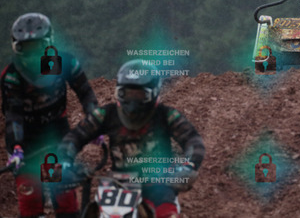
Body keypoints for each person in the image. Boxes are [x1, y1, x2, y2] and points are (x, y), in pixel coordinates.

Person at [58, 60, 205, 218]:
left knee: (166, 213)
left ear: (153, 93)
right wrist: (64, 161)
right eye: (127, 93)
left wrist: (188, 166)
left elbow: (193, 141)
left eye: (139, 94)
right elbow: (76, 136)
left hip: (159, 184)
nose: (133, 101)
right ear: (119, 92)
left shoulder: (165, 115)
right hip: (120, 183)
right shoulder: (107, 114)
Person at [1, 12, 99, 218]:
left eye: (37, 47)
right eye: (26, 48)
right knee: (30, 201)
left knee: (64, 198)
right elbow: (13, 115)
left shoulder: (65, 63)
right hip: (26, 142)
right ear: (17, 47)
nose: (32, 55)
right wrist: (16, 147)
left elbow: (85, 93)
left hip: (56, 136)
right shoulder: (12, 75)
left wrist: (94, 123)